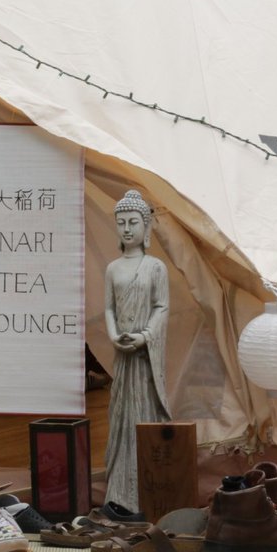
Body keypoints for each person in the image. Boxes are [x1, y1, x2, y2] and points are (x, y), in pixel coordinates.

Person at [104, 189, 173, 512]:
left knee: (145, 414)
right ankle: (120, 491)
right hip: (124, 355)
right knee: (122, 418)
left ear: (146, 227)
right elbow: (108, 308)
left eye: (133, 222)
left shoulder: (155, 267)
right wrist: (115, 334)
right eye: (121, 223)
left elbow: (162, 307)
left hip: (144, 358)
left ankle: (148, 488)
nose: (127, 229)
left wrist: (145, 336)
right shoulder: (113, 268)